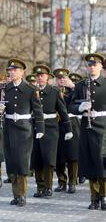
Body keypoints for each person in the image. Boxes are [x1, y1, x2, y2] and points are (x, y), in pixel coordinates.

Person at [0, 58, 44, 207]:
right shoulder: (5, 89)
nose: (12, 72)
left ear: (22, 72)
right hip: (10, 127)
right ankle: (16, 194)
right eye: (10, 70)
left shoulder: (31, 90)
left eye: (15, 70)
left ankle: (22, 194)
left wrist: (40, 129)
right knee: (11, 161)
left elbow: (37, 110)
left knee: (22, 162)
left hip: (24, 129)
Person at [69, 53, 106, 210]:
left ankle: (104, 196)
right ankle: (94, 197)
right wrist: (80, 108)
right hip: (86, 126)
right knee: (90, 161)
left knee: (102, 162)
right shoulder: (81, 85)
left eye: (94, 64)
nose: (91, 67)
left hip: (103, 126)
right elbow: (70, 107)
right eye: (89, 65)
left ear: (100, 67)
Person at [30, 65, 72, 198]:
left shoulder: (54, 92)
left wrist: (68, 129)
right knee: (37, 159)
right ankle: (40, 186)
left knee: (48, 159)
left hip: (51, 129)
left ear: (48, 77)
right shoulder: (31, 91)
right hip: (35, 127)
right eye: (37, 76)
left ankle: (48, 187)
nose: (40, 77)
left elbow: (63, 112)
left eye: (42, 75)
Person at [55, 69, 80, 194]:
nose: (61, 80)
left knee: (72, 156)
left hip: (71, 123)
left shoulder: (73, 91)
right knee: (58, 155)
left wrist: (73, 86)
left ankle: (72, 182)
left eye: (63, 78)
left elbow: (82, 96)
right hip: (57, 124)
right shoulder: (53, 91)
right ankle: (61, 182)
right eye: (59, 78)